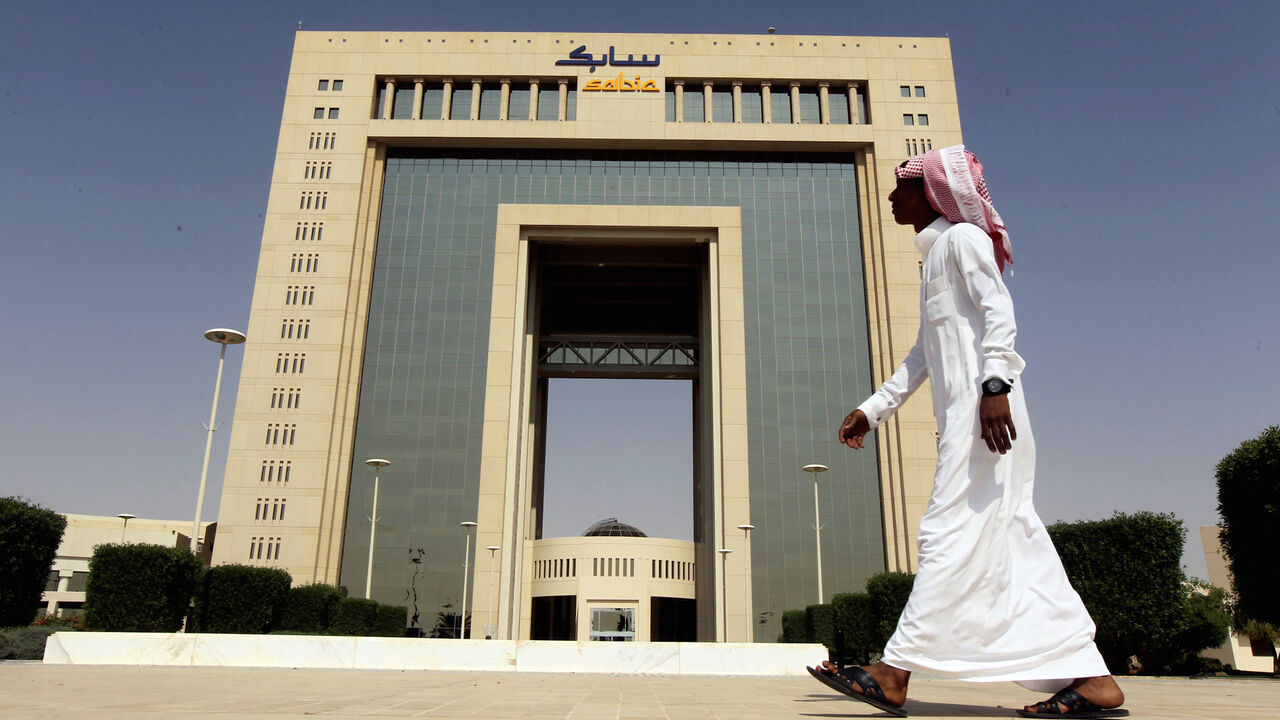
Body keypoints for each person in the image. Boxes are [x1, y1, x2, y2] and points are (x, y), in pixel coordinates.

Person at [808, 146, 1127, 719]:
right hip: (971, 416)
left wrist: (996, 388)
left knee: (944, 532)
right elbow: (921, 354)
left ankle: (892, 672)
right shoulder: (937, 257)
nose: (889, 198)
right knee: (1013, 541)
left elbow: (998, 311)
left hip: (988, 417)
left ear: (930, 193)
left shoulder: (962, 240)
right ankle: (1093, 678)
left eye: (899, 188)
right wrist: (873, 408)